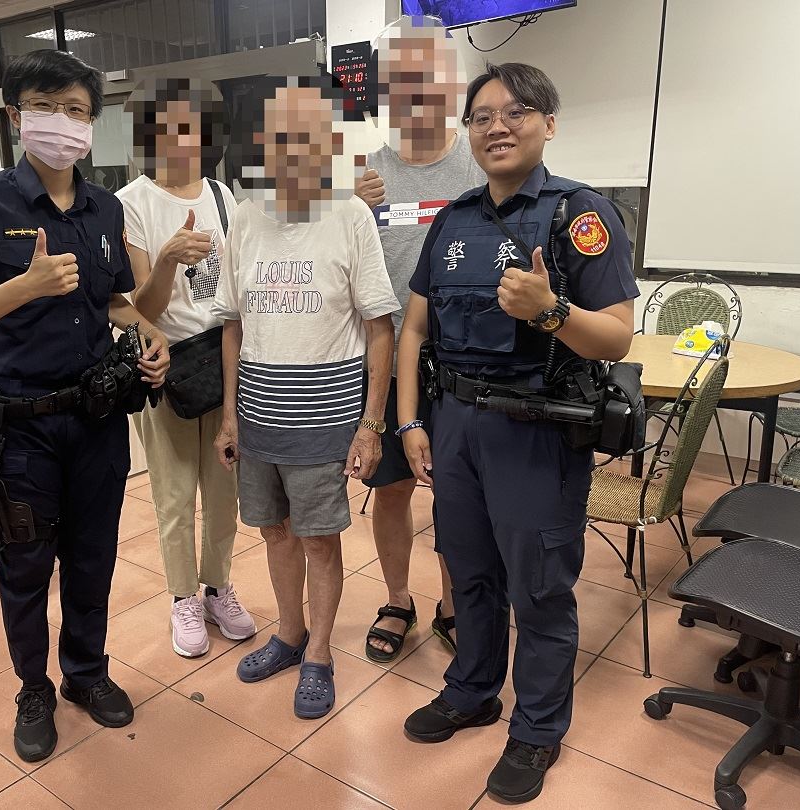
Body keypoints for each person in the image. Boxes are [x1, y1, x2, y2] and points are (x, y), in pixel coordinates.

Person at [396, 63, 638, 803]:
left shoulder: (580, 215)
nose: (497, 126)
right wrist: (410, 420)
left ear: (549, 124)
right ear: (468, 132)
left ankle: (536, 728)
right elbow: (415, 329)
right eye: (482, 116)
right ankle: (472, 690)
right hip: (456, 425)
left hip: (535, 430)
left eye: (517, 111)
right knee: (468, 572)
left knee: (538, 590)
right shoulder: (453, 220)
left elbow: (618, 337)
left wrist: (550, 311)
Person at [0, 49, 170, 764]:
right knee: (26, 566)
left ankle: (85, 674)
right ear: (15, 115)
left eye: (77, 110)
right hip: (18, 430)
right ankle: (33, 689)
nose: (63, 122)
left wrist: (147, 335)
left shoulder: (104, 208)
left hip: (96, 420)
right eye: (47, 106)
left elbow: (113, 300)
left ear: (91, 124)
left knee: (93, 559)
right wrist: (25, 287)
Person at [212, 75, 398, 719]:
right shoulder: (245, 217)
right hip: (257, 416)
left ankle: (318, 653)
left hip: (326, 419)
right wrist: (229, 416)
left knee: (319, 539)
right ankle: (288, 635)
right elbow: (233, 325)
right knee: (274, 532)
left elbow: (380, 327)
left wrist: (371, 424)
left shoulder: (350, 215)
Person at [354, 15, 484, 663]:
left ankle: (455, 601)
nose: (416, 87)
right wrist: (347, 209)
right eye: (401, 76)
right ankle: (398, 597)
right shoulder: (364, 174)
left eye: (428, 73)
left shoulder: (481, 161)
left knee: (459, 494)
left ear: (450, 80)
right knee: (392, 488)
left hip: (467, 364)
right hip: (386, 362)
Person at [116, 78, 256, 658]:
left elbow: (240, 287)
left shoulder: (224, 197)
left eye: (192, 124)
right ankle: (183, 598)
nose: (181, 136)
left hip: (223, 364)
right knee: (174, 496)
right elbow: (137, 309)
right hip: (164, 368)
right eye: (166, 124)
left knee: (224, 492)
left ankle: (218, 586)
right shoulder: (130, 202)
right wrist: (168, 260)